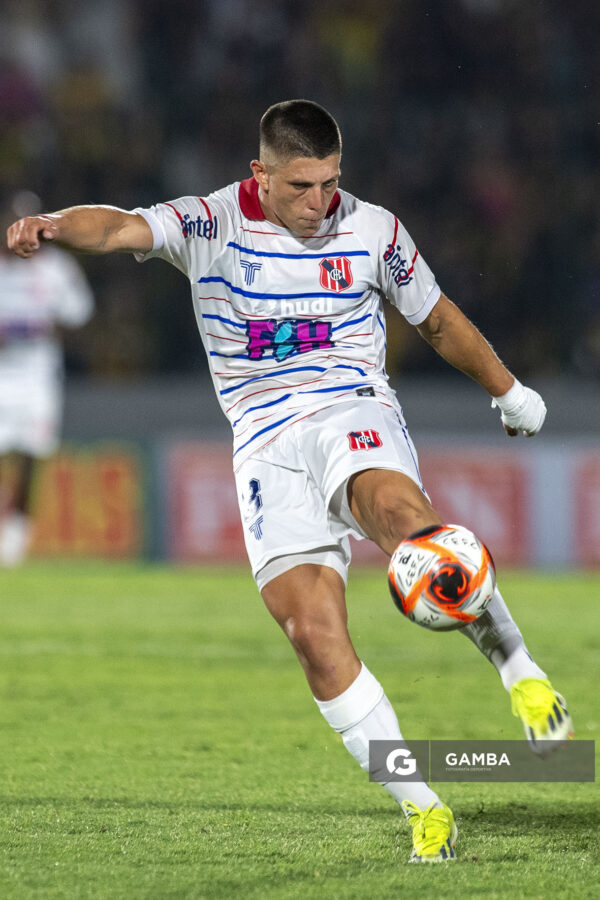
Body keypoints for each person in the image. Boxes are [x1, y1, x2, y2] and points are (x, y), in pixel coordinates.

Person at [7, 100, 573, 861]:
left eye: (331, 183)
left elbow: (434, 318)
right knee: (313, 635)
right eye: (302, 186)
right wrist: (52, 227)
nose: (320, 203)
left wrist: (510, 393)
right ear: (260, 175)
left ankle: (523, 674)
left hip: (351, 407)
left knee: (403, 519)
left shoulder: (372, 229)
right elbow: (115, 227)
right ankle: (424, 806)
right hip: (265, 441)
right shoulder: (209, 225)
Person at [0, 193, 94, 566]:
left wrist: (46, 329)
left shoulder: (57, 269)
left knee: (30, 454)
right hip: (1, 373)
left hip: (38, 375)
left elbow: (80, 318)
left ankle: (15, 537)